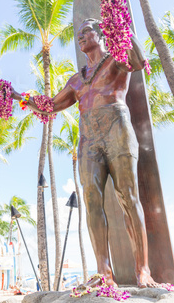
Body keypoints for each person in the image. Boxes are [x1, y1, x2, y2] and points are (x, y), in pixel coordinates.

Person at [9, 18, 158, 288]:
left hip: (117, 130)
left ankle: (143, 270)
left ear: (101, 34)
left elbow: (138, 61)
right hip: (89, 139)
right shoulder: (77, 80)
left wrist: (122, 23)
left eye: (86, 32)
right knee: (91, 202)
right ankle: (104, 274)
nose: (80, 37)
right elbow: (49, 106)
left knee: (129, 197)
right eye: (79, 35)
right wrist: (16, 95)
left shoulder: (116, 59)